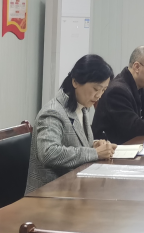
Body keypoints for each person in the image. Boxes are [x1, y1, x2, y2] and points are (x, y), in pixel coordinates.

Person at [26, 54, 118, 193]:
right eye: (96, 89)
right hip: (49, 194)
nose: (99, 95)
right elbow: (49, 153)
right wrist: (94, 153)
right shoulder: (53, 112)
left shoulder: (81, 107)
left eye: (103, 90)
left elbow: (71, 141)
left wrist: (93, 144)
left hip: (73, 188)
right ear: (75, 82)